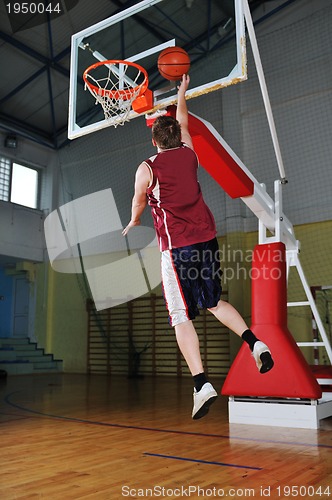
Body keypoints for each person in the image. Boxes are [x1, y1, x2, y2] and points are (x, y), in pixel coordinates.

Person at [122, 74, 274, 419]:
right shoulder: (190, 154)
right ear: (177, 135)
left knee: (180, 316)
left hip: (177, 250)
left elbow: (138, 202)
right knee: (214, 302)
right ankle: (255, 342)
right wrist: (182, 92)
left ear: (153, 139)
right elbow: (185, 121)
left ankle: (201, 383)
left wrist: (133, 221)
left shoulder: (147, 168)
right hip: (207, 241)